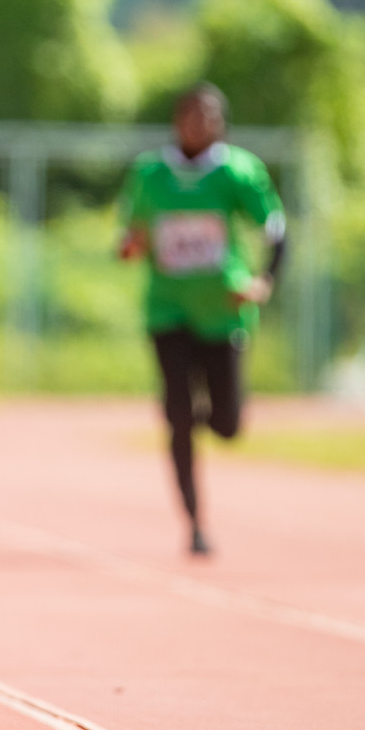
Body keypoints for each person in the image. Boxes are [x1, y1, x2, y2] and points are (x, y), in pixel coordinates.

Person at [118, 82, 285, 557]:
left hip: (223, 313)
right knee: (178, 418)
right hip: (167, 309)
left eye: (209, 115)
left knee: (228, 423)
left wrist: (263, 281)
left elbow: (277, 231)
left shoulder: (238, 172)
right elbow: (130, 234)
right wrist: (129, 246)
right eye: (191, 114)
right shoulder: (149, 173)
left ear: (221, 123)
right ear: (176, 119)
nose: (199, 123)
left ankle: (201, 414)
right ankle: (194, 523)